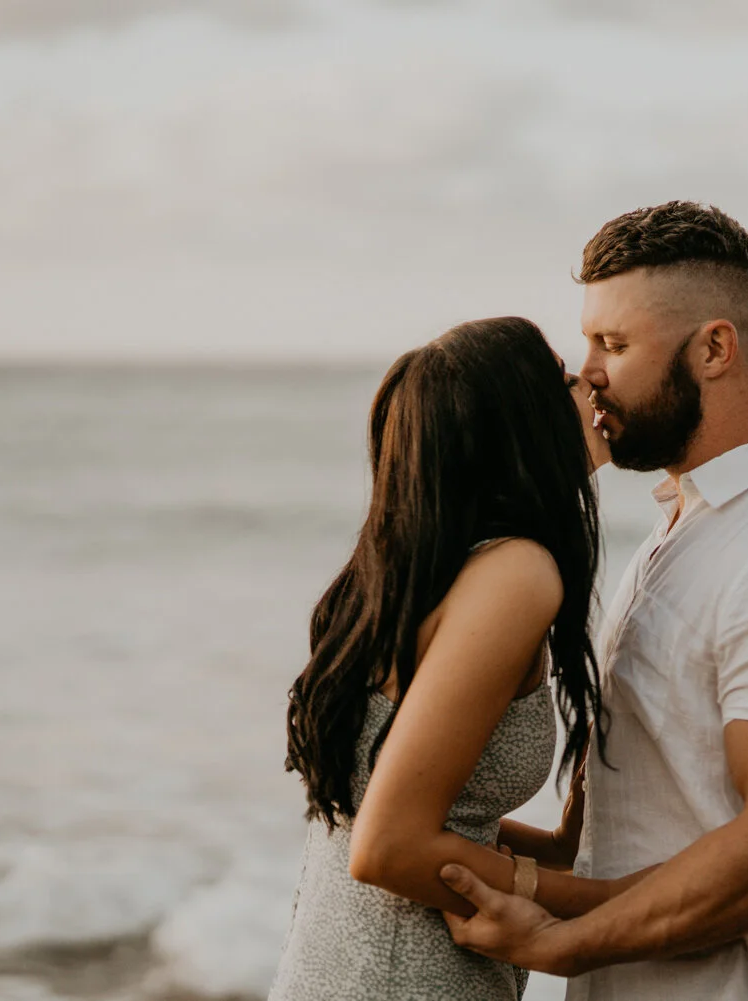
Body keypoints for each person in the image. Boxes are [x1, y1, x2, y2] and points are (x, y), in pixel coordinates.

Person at [439, 202, 748, 1001]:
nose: (586, 370)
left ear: (715, 348)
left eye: (613, 345)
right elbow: (617, 842)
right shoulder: (688, 528)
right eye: (589, 340)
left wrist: (567, 945)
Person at [269, 317, 636, 1001]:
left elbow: (417, 818)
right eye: (559, 378)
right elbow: (387, 847)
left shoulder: (412, 577)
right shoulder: (517, 574)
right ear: (516, 424)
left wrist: (556, 845)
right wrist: (598, 899)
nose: (586, 380)